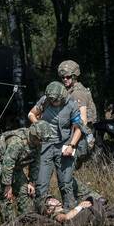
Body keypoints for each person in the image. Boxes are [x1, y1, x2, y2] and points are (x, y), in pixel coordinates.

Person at [28, 81, 84, 211]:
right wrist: (39, 125)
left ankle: (70, 211)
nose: (53, 102)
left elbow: (78, 128)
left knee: (65, 182)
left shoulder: (71, 104)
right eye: (51, 100)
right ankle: (41, 212)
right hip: (45, 145)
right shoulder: (45, 100)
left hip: (64, 145)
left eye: (56, 100)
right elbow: (31, 114)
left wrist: (71, 145)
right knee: (41, 183)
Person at [0, 121, 54, 224]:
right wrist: (8, 185)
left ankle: (25, 220)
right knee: (2, 190)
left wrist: (31, 182)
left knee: (24, 190)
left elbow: (35, 163)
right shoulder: (17, 142)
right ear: (34, 135)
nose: (41, 142)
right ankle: (8, 223)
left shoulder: (37, 144)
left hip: (15, 166)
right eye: (40, 139)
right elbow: (8, 163)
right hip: (0, 162)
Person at [57, 59, 99, 202]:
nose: (65, 80)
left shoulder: (77, 94)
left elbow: (82, 123)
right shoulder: (71, 92)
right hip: (76, 138)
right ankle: (85, 201)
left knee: (64, 175)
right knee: (64, 174)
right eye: (63, 77)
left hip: (79, 140)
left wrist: (72, 144)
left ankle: (90, 199)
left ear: (75, 76)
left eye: (68, 77)